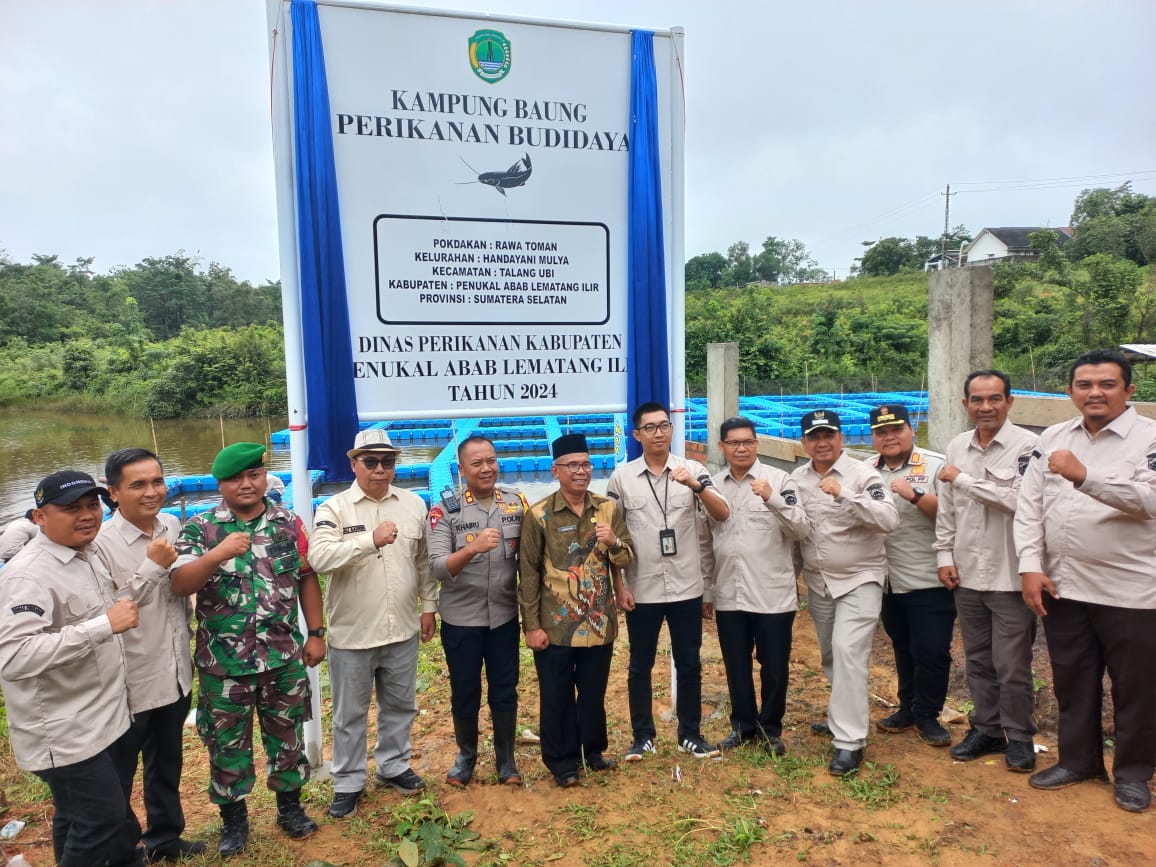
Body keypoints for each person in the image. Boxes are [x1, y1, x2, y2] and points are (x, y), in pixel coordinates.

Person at [1015, 348, 1156, 813]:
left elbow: (1150, 503)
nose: (1095, 393)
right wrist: (1031, 565)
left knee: (1136, 687)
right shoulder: (1054, 436)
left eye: (1107, 384)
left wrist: (1085, 476)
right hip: (1064, 585)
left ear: (1129, 390)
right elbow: (1029, 506)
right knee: (1072, 680)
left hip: (1132, 590)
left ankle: (1133, 774)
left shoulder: (1150, 439)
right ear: (1072, 391)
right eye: (1084, 385)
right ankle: (1079, 761)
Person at [171, 442, 326, 857]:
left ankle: (290, 809)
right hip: (224, 665)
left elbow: (306, 577)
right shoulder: (199, 528)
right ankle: (234, 821)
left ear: (263, 477)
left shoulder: (288, 523)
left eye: (254, 474)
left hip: (282, 657)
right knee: (226, 746)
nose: (247, 484)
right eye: (235, 478)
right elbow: (181, 583)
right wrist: (218, 553)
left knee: (287, 737)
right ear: (220, 484)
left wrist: (315, 632)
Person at [0, 471, 144, 866]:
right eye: (70, 509)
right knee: (101, 819)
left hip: (100, 718)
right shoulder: (27, 575)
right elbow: (13, 657)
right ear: (39, 517)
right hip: (64, 733)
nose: (86, 516)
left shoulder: (89, 553)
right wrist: (102, 626)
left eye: (92, 505)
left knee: (76, 815)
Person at [309, 429, 438, 817]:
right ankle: (348, 780)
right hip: (352, 632)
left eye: (387, 461)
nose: (380, 469)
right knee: (349, 713)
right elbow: (320, 559)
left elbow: (423, 562)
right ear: (354, 464)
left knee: (400, 705)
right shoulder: (334, 508)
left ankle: (393, 766)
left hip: (401, 627)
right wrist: (371, 540)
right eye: (371, 461)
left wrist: (429, 605)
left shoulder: (414, 504)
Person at [94, 449, 205, 862]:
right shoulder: (100, 546)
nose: (151, 492)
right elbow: (109, 614)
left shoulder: (172, 524)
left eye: (157, 481)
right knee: (118, 774)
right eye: (137, 484)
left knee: (166, 764)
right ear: (113, 493)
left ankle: (165, 837)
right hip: (129, 680)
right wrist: (153, 566)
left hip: (174, 670)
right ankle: (124, 848)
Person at [606, 402, 730, 761]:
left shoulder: (693, 469)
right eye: (650, 427)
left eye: (664, 425)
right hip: (641, 587)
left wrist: (695, 486)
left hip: (686, 586)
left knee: (689, 662)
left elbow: (721, 513)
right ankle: (642, 736)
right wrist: (619, 586)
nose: (659, 432)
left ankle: (690, 734)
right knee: (639, 665)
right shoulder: (622, 478)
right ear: (637, 435)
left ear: (671, 430)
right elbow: (615, 536)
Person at [934, 369, 1039, 773]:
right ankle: (987, 728)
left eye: (994, 398)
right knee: (978, 659)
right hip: (968, 573)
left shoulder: (1028, 446)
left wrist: (965, 481)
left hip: (1011, 576)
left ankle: (1021, 737)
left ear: (1009, 401)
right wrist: (944, 554)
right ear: (965, 405)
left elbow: (1023, 503)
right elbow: (947, 508)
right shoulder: (957, 446)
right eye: (977, 400)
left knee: (1012, 664)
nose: (985, 407)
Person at [518, 433, 634, 787]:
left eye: (586, 464)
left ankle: (592, 750)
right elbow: (529, 574)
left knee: (593, 691)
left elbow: (627, 555)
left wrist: (613, 542)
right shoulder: (539, 516)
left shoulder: (608, 509)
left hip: (599, 622)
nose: (581, 471)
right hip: (556, 625)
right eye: (572, 465)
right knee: (556, 694)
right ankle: (562, 761)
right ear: (556, 471)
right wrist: (532, 625)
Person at [791, 410, 899, 776]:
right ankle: (844, 716)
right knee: (831, 656)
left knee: (847, 650)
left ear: (841, 438)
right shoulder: (796, 479)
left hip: (859, 578)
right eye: (814, 436)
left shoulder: (863, 475)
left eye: (829, 435)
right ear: (804, 442)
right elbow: (794, 533)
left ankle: (849, 742)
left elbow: (888, 519)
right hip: (819, 583)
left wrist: (846, 496)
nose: (822, 442)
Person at [700, 417, 808, 756]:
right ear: (722, 447)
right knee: (736, 665)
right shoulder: (712, 487)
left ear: (756, 443)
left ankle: (770, 729)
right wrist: (707, 590)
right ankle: (743, 726)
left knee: (774, 667)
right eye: (734, 443)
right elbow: (705, 543)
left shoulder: (778, 480)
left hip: (772, 593)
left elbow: (801, 529)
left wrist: (773, 499)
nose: (741, 448)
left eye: (747, 441)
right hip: (730, 593)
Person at [428, 434, 529, 786]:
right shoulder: (446, 510)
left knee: (505, 689)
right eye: (477, 463)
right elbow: (438, 567)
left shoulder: (516, 503)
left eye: (491, 460)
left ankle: (506, 759)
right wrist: (471, 548)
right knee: (465, 691)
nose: (486, 468)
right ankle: (466, 756)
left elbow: (529, 561)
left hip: (503, 617)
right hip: (461, 620)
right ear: (461, 469)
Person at [869, 406, 956, 748]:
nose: (889, 436)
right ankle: (907, 708)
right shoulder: (866, 470)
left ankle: (929, 714)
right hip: (888, 578)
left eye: (896, 429)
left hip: (928, 576)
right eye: (881, 431)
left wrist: (916, 495)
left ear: (911, 429)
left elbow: (952, 515)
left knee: (932, 650)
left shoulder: (935, 465)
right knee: (902, 646)